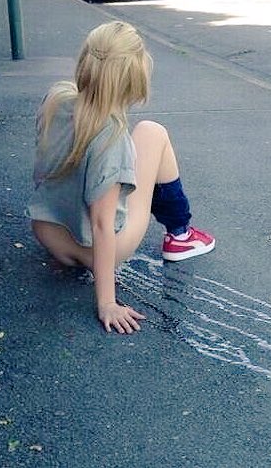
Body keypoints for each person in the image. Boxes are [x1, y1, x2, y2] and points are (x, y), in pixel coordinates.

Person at [26, 21, 215, 335]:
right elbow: (102, 225)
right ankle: (180, 235)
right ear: (135, 79)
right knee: (152, 132)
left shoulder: (55, 100)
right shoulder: (112, 138)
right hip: (93, 250)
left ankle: (74, 253)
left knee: (128, 147)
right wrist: (107, 303)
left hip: (49, 234)